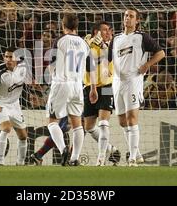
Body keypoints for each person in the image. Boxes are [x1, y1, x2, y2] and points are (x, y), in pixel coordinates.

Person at [109, 8, 165, 166]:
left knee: (132, 118)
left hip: (133, 81)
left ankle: (132, 158)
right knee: (121, 121)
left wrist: (147, 65)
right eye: (126, 15)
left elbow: (161, 53)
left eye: (131, 16)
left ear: (137, 20)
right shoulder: (116, 38)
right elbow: (110, 60)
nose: (128, 18)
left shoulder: (142, 37)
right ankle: (138, 153)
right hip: (117, 82)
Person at [46, 12, 95, 166]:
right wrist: (93, 88)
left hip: (61, 83)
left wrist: (52, 73)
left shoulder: (60, 41)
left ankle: (63, 149)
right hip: (77, 86)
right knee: (77, 123)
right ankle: (74, 159)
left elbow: (51, 65)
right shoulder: (84, 43)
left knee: (52, 121)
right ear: (76, 26)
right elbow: (91, 68)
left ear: (63, 25)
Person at [83, 21, 121, 166]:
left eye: (109, 30)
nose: (107, 32)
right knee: (89, 127)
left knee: (104, 122)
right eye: (104, 30)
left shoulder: (112, 44)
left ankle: (100, 159)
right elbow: (87, 64)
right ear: (96, 32)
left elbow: (110, 57)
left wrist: (105, 47)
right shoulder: (87, 44)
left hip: (107, 86)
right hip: (89, 87)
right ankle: (111, 149)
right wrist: (91, 43)